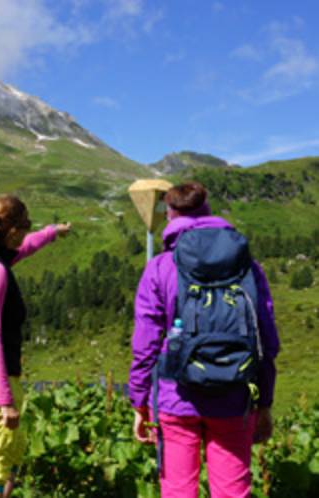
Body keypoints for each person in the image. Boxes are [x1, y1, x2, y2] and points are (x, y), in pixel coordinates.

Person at [129, 182, 279, 498]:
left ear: (170, 214)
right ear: (208, 210)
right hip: (234, 394)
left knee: (179, 491)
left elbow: (146, 344)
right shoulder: (247, 267)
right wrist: (264, 401)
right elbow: (266, 338)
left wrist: (140, 402)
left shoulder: (159, 267)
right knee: (231, 492)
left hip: (175, 395)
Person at [0, 194, 71, 498]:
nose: (25, 234)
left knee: (10, 459)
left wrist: (53, 232)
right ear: (11, 231)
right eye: (24, 227)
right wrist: (5, 399)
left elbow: (28, 246)